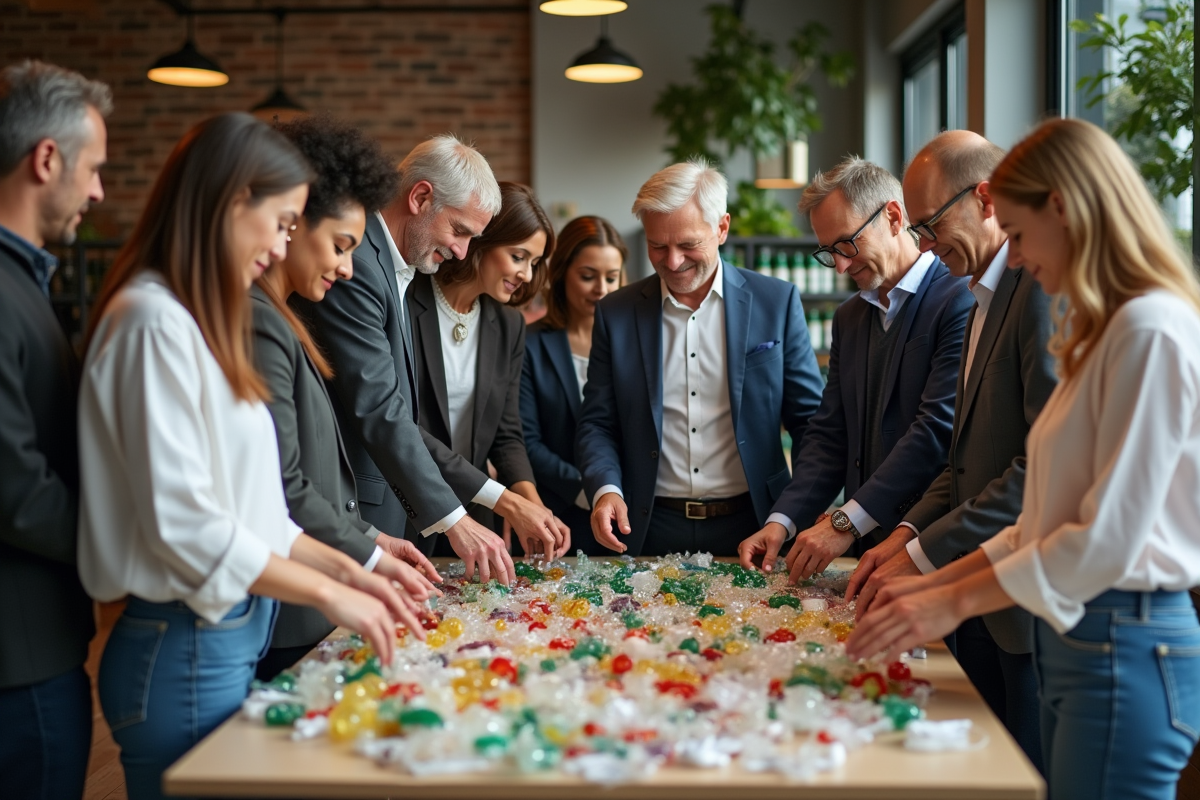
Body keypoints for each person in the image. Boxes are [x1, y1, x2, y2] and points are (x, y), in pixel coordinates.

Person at [847, 118, 1200, 800]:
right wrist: (929, 590)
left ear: (1063, 208)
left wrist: (950, 600)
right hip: (1084, 635)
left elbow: (1104, 539)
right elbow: (1040, 517)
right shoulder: (1105, 330)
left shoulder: (1150, 328)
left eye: (1015, 233)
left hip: (1126, 636)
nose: (1014, 255)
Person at [77, 113, 417, 800]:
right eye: (285, 222)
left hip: (225, 634)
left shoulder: (199, 319)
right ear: (234, 200)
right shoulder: (150, 320)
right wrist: (331, 592)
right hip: (183, 644)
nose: (285, 243)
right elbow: (186, 525)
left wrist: (356, 572)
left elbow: (259, 512)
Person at [844, 130, 1056, 771]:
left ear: (985, 197)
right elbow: (963, 460)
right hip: (977, 597)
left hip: (1022, 604)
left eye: (931, 225)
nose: (926, 245)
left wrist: (922, 553)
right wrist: (899, 541)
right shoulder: (978, 295)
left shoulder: (1036, 291)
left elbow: (1035, 469)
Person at [295, 135, 566, 583]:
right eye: (459, 231)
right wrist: (457, 519)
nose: (462, 251)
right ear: (420, 197)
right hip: (355, 513)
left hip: (386, 520)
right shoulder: (362, 265)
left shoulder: (400, 266)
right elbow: (382, 410)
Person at [253, 115, 443, 681]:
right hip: (274, 603)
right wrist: (367, 561)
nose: (346, 266)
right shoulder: (260, 323)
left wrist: (373, 540)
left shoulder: (282, 320)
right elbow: (282, 487)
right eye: (339, 246)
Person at [738, 156, 973, 582]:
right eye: (830, 253)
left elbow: (936, 429)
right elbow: (831, 433)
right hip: (865, 551)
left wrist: (845, 521)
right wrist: (784, 521)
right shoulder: (850, 316)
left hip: (932, 549)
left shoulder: (959, 299)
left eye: (847, 244)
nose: (842, 266)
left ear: (894, 217)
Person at [577, 159, 825, 557]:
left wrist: (793, 514)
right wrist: (606, 489)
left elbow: (811, 423)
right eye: (657, 245)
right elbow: (598, 423)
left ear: (722, 228)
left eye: (688, 245)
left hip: (757, 523)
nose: (672, 262)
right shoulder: (616, 313)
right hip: (646, 525)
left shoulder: (776, 303)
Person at [0, 59, 109, 800]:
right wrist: (130, 548)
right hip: (19, 659)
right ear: (47, 159)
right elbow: (16, 490)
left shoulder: (25, 280)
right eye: (94, 168)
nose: (99, 191)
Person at [409, 181, 566, 558]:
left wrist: (532, 503)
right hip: (405, 508)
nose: (527, 274)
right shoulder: (406, 300)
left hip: (479, 515)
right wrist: (507, 502)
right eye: (519, 256)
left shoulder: (509, 325)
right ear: (480, 241)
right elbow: (401, 424)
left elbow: (507, 433)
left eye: (534, 262)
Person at [520, 215, 627, 554]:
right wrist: (593, 490)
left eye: (612, 278)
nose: (602, 289)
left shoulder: (636, 344)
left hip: (628, 513)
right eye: (587, 276)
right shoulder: (530, 344)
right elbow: (526, 441)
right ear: (561, 273)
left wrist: (613, 492)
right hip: (557, 516)